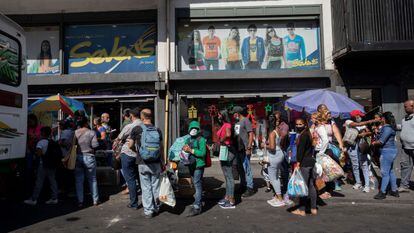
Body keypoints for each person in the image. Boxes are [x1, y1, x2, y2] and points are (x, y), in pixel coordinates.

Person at [129, 109, 163, 218]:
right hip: (156, 162)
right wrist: (163, 161)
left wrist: (138, 152)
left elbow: (130, 145)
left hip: (142, 162)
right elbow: (161, 147)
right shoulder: (157, 130)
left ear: (142, 117)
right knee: (156, 186)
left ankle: (148, 211)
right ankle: (157, 207)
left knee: (145, 187)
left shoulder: (137, 129)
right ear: (151, 117)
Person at [114, 108, 142, 209]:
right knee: (141, 178)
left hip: (128, 153)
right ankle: (147, 202)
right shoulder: (143, 125)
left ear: (131, 116)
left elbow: (119, 138)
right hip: (140, 154)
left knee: (130, 180)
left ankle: (134, 203)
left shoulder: (129, 126)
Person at [24, 126, 59, 205]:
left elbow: (39, 154)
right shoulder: (52, 141)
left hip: (43, 164)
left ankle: (34, 199)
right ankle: (54, 198)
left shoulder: (40, 142)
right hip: (52, 164)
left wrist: (34, 151)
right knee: (53, 181)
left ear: (43, 133)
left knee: (39, 182)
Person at [345, 110, 377, 193]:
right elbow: (357, 125)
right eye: (359, 116)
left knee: (364, 164)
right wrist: (371, 121)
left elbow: (368, 132)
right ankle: (358, 182)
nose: (360, 117)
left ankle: (366, 185)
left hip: (361, 145)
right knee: (355, 165)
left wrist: (366, 133)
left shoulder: (362, 124)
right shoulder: (348, 121)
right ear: (355, 116)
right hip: (352, 146)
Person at [291, 118, 317, 216]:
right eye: (297, 124)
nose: (298, 126)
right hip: (310, 162)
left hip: (304, 163)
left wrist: (298, 163)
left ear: (305, 125)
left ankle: (302, 210)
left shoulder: (303, 136)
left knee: (302, 186)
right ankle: (313, 208)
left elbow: (300, 151)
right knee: (311, 185)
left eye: (300, 124)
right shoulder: (307, 134)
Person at [262, 112, 288, 207]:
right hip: (279, 153)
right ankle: (277, 197)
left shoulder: (272, 133)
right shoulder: (278, 129)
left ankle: (280, 199)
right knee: (276, 175)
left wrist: (264, 145)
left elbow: (272, 147)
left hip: (274, 155)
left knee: (273, 178)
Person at [372, 112, 399, 200]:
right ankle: (394, 190)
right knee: (390, 171)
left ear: (384, 119)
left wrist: (373, 143)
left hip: (387, 151)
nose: (380, 119)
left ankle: (382, 192)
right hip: (390, 151)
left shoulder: (387, 128)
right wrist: (377, 132)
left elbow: (381, 141)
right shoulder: (389, 127)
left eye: (381, 118)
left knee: (384, 173)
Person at [182, 120, 207, 216]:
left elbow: (203, 153)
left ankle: (197, 206)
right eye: (192, 128)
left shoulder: (201, 140)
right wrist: (184, 150)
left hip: (199, 165)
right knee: (196, 182)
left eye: (195, 129)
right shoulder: (187, 140)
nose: (193, 130)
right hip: (190, 164)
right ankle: (198, 201)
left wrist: (191, 150)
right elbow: (185, 149)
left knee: (197, 183)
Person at [74, 116, 100, 207]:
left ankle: (80, 201)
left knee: (79, 180)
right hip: (89, 157)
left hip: (78, 157)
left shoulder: (76, 132)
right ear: (86, 123)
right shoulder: (91, 132)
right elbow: (95, 145)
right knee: (92, 179)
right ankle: (95, 200)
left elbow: (72, 145)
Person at [232, 106, 255, 197]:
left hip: (245, 148)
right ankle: (243, 185)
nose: (233, 115)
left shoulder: (246, 120)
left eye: (234, 113)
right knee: (240, 168)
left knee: (247, 168)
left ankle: (250, 188)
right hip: (238, 148)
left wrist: (249, 147)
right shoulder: (237, 122)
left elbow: (251, 133)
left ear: (237, 113)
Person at [216, 110, 236, 209]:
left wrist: (221, 139)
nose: (218, 116)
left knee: (229, 176)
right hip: (224, 150)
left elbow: (228, 135)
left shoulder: (227, 124)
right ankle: (227, 197)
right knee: (226, 175)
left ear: (224, 115)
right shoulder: (224, 125)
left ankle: (231, 199)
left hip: (228, 150)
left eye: (219, 114)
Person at [399, 100, 414, 193]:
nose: (404, 108)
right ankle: (404, 185)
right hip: (405, 147)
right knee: (405, 166)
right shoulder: (405, 119)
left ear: (412, 106)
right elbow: (403, 127)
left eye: (406, 106)